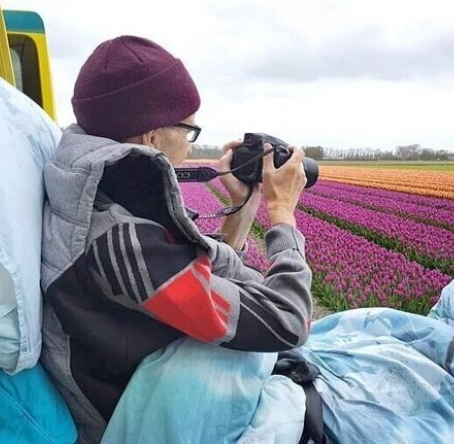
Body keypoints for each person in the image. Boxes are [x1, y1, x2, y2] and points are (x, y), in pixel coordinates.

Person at [39, 35, 313, 442]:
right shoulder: (122, 244)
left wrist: (246, 206)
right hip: (131, 419)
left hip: (146, 379)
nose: (190, 143)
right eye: (189, 130)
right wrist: (283, 213)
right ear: (152, 138)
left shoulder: (99, 194)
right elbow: (288, 321)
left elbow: (199, 277)